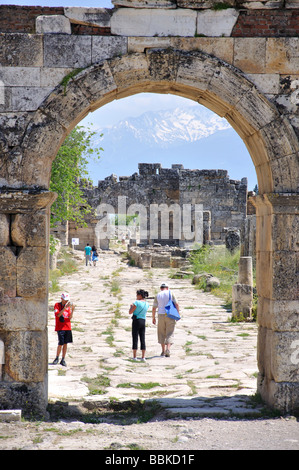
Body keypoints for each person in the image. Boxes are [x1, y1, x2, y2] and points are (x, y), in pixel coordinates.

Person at [152, 283, 179, 357]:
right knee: (170, 332)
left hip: (160, 315)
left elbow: (154, 307)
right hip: (170, 314)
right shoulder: (171, 293)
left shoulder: (158, 295)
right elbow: (176, 304)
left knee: (161, 332)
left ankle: (163, 351)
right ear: (167, 288)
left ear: (161, 288)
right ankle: (168, 349)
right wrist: (177, 314)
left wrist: (153, 317)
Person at [52, 292, 75, 367]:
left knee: (65, 343)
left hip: (67, 326)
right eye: (64, 300)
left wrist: (72, 310)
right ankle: (57, 357)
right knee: (60, 343)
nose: (66, 301)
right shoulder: (57, 305)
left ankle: (63, 359)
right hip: (60, 327)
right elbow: (58, 315)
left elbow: (69, 317)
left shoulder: (68, 307)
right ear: (61, 299)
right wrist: (65, 308)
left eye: (67, 300)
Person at [129, 289, 149, 362]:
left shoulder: (136, 303)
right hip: (143, 320)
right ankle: (143, 357)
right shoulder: (147, 304)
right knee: (142, 338)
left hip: (136, 320)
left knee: (135, 338)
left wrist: (131, 307)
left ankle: (135, 356)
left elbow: (130, 312)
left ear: (140, 295)